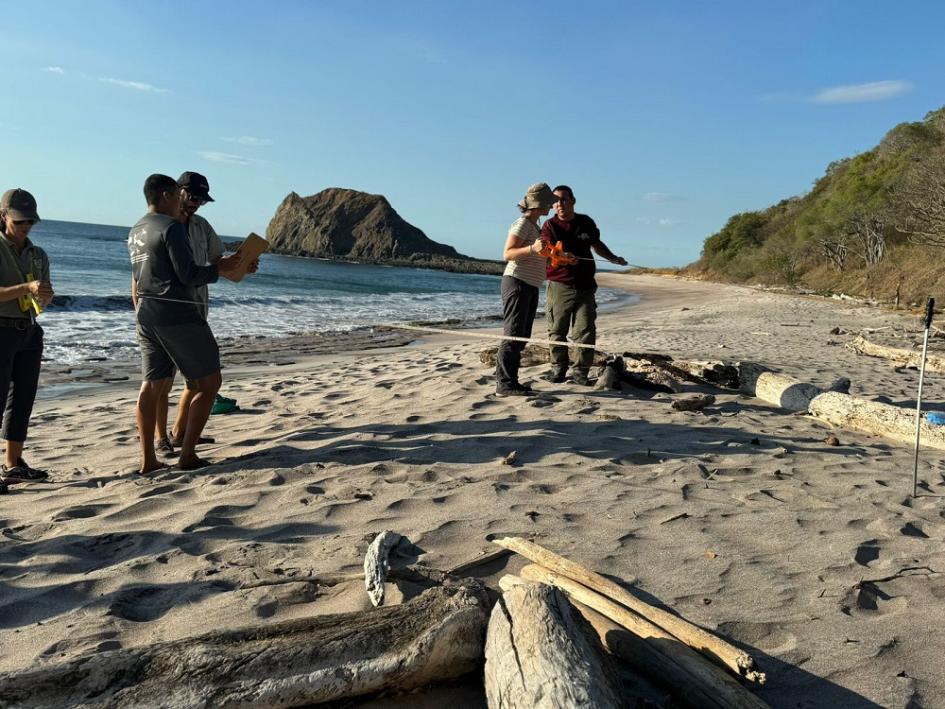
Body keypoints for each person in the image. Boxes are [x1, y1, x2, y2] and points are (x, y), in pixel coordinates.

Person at [128, 174, 241, 473]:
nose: (185, 200)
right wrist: (219, 269)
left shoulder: (136, 229)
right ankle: (187, 454)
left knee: (151, 385)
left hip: (147, 312)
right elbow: (188, 274)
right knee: (209, 382)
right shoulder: (171, 227)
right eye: (180, 194)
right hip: (178, 311)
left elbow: (139, 277)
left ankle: (148, 460)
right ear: (167, 195)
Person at [541, 185, 627, 386]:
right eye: (555, 201)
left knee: (585, 330)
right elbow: (546, 248)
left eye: (564, 199)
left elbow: (596, 244)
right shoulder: (549, 226)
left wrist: (613, 258)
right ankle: (558, 370)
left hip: (586, 286)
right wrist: (562, 257)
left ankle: (580, 373)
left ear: (573, 201)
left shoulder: (586, 222)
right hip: (559, 285)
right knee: (557, 330)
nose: (560, 204)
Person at [0, 188, 54, 491]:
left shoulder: (37, 254)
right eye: (20, 221)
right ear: (3, 216)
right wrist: (25, 288)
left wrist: (45, 295)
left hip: (28, 329)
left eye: (30, 221)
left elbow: (43, 295)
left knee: (23, 399)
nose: (25, 226)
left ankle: (13, 464)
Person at [495, 183, 560, 396]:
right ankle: (505, 385)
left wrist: (557, 258)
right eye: (549, 203)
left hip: (530, 285)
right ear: (538, 204)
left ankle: (511, 381)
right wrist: (532, 248)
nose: (552, 206)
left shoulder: (535, 227)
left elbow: (537, 257)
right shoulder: (522, 224)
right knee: (513, 334)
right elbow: (508, 253)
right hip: (517, 282)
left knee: (522, 335)